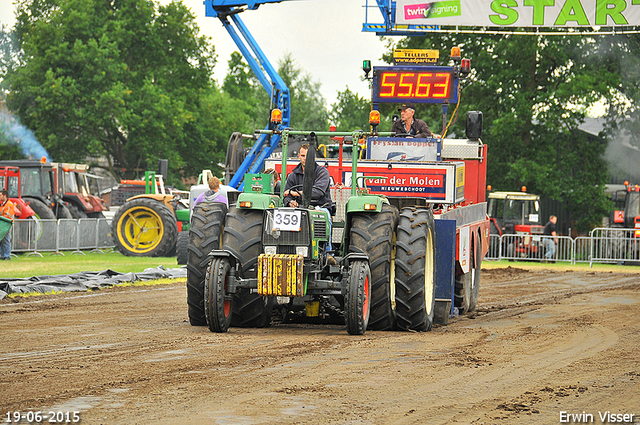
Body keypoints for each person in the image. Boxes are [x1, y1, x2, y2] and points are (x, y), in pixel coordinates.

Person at [283, 143, 334, 257]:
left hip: (319, 207)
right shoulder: (293, 175)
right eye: (302, 155)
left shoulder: (322, 173)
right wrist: (290, 202)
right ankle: (286, 249)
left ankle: (327, 254)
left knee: (324, 217)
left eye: (307, 156)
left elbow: (317, 192)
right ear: (299, 157)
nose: (305, 158)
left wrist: (296, 193)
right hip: (299, 209)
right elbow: (286, 196)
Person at [0, 189, 15, 261]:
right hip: (3, 224)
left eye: (0, 195)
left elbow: (7, 216)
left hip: (6, 224)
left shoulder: (9, 204)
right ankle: (3, 255)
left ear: (4, 196)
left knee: (5, 240)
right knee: (3, 240)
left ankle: (6, 255)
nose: (0, 197)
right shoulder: (3, 204)